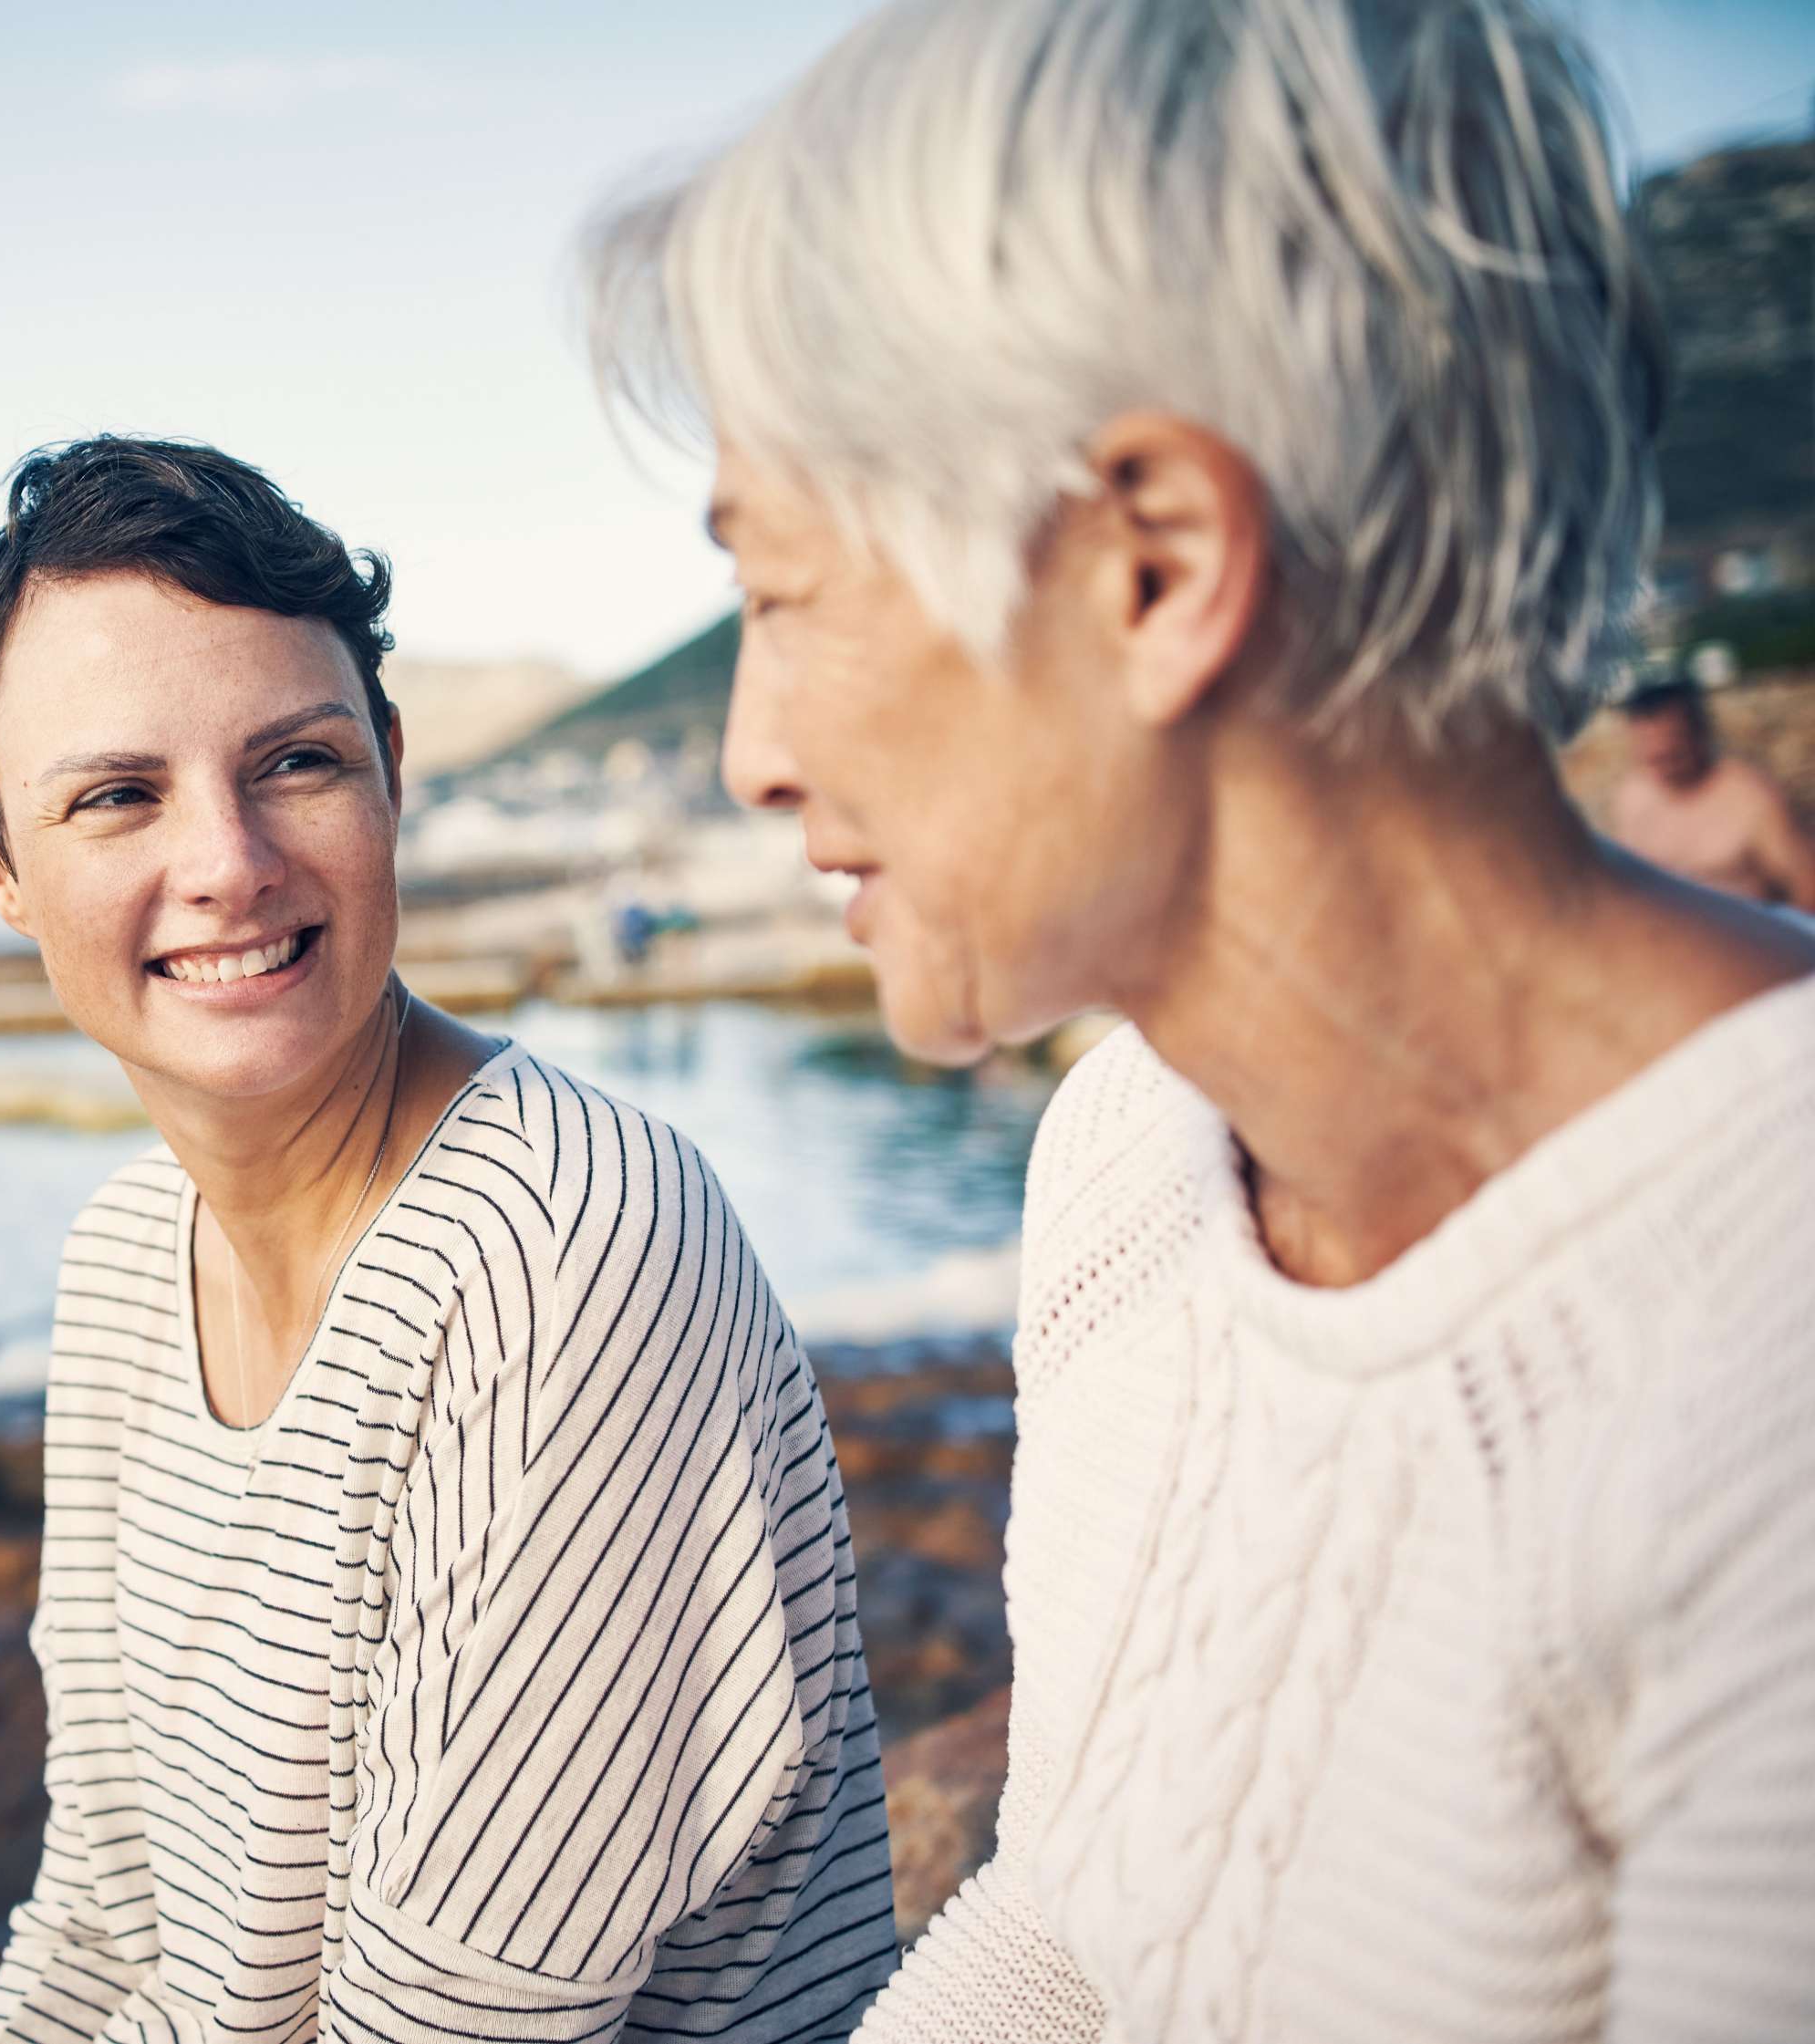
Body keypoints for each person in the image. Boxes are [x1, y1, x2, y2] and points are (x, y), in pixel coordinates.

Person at [589, 0, 1815, 2036]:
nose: (750, 755)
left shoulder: (1765, 1351)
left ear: (1157, 567)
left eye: (783, 594)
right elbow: (1071, 1913)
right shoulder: (1137, 1149)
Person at [0, 437, 897, 2040]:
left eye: (296, 763)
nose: (228, 865)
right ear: (0, 867)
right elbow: (100, 1922)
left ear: (392, 769)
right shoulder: (121, 1261)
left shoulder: (570, 1246)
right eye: (117, 796)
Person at [1606, 677, 1815, 906]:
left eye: (1673, 738)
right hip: (1662, 934)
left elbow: (1807, 886)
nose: (1660, 749)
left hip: (1741, 934)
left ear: (1700, 731)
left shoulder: (1750, 798)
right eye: (1648, 741)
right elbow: (1624, 882)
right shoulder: (1632, 797)